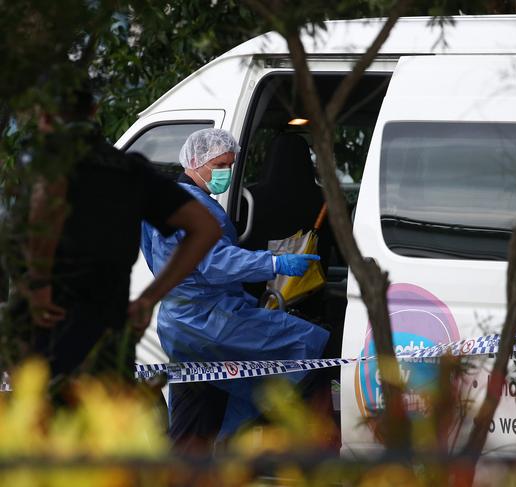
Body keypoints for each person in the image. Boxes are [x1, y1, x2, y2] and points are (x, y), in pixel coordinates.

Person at [12, 85, 222, 390]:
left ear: (44, 117)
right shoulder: (130, 170)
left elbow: (47, 204)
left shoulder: (48, 163)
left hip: (48, 334)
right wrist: (150, 298)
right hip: (109, 340)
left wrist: (39, 282)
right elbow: (206, 228)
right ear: (94, 111)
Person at [141, 128, 330, 454]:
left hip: (183, 323)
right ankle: (310, 454)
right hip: (210, 322)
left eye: (230, 163)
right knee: (308, 348)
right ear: (197, 162)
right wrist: (274, 264)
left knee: (196, 410)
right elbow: (215, 263)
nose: (227, 171)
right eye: (220, 164)